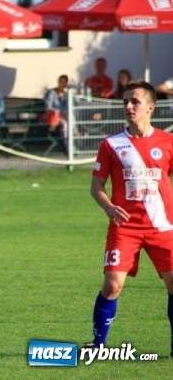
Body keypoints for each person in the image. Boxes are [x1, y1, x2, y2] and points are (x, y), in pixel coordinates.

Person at [86, 80, 173, 358]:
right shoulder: (111, 144)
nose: (129, 106)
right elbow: (96, 186)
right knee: (112, 285)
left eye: (135, 101)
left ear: (151, 107)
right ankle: (98, 345)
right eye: (126, 101)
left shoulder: (168, 142)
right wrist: (109, 207)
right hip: (124, 228)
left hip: (163, 227)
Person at [43, 74, 71, 141]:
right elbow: (48, 106)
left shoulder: (66, 94)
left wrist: (70, 91)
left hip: (64, 116)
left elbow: (76, 102)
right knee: (65, 123)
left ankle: (76, 137)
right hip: (53, 115)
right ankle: (66, 142)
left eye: (64, 82)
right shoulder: (52, 93)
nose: (62, 84)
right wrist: (58, 113)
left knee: (71, 118)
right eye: (60, 82)